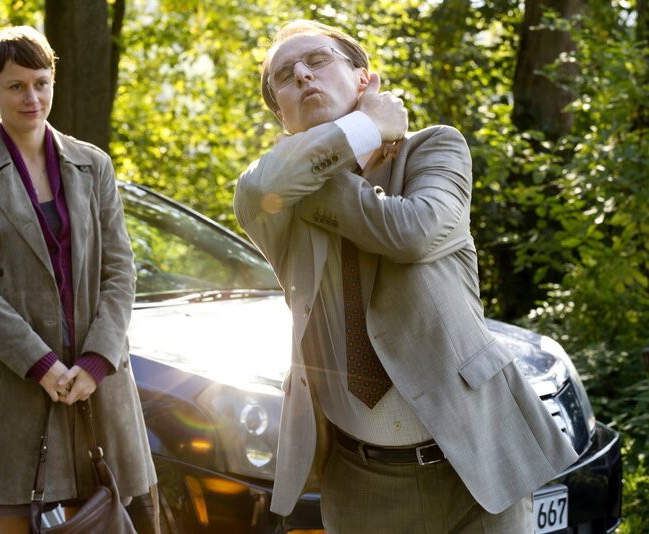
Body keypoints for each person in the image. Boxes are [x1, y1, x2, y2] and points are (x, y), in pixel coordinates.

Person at [234, 19, 578, 533]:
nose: (303, 74)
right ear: (282, 117)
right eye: (285, 75)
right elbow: (258, 190)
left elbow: (411, 233)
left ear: (364, 80)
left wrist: (317, 175)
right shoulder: (270, 194)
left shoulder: (435, 148)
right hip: (361, 486)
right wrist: (362, 130)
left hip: (474, 465)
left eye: (319, 61)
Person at [0, 26, 156, 533]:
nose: (32, 98)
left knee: (102, 520)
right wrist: (41, 365)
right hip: (14, 386)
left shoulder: (93, 165)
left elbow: (120, 270)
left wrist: (96, 361)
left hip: (94, 383)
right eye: (16, 86)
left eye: (41, 83)